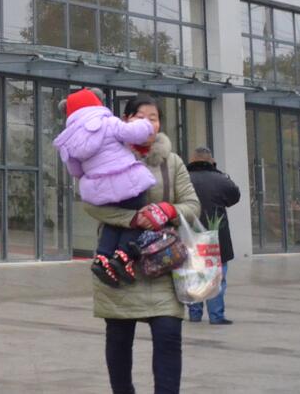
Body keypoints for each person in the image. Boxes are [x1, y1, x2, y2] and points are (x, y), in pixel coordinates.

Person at [84, 95, 200, 394]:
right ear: (125, 120)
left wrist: (167, 210)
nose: (149, 123)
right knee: (119, 340)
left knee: (169, 336)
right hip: (117, 267)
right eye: (141, 117)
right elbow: (91, 204)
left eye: (154, 118)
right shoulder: (104, 156)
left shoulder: (172, 162)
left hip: (163, 265)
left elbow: (192, 204)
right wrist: (133, 218)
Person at [53, 86, 158, 286]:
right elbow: (131, 133)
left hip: (100, 190)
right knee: (138, 216)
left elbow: (75, 171)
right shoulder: (108, 122)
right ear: (96, 103)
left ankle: (102, 256)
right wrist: (145, 125)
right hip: (126, 181)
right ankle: (123, 256)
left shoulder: (69, 140)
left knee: (113, 222)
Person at [186, 146, 241, 326]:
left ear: (192, 160)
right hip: (216, 236)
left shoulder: (184, 178)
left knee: (194, 274)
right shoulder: (220, 179)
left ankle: (195, 314)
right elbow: (234, 196)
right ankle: (216, 316)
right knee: (217, 277)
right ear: (211, 161)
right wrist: (216, 171)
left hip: (191, 235)